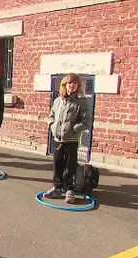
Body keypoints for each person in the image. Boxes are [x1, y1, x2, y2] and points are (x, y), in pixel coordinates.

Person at [44, 73, 92, 204]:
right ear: (64, 85)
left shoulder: (82, 102)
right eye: (70, 83)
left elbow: (87, 121)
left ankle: (70, 189)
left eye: (75, 83)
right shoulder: (58, 101)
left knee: (70, 165)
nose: (72, 85)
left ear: (78, 85)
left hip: (71, 139)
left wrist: (75, 129)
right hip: (58, 138)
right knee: (57, 163)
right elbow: (51, 115)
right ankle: (57, 187)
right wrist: (52, 125)